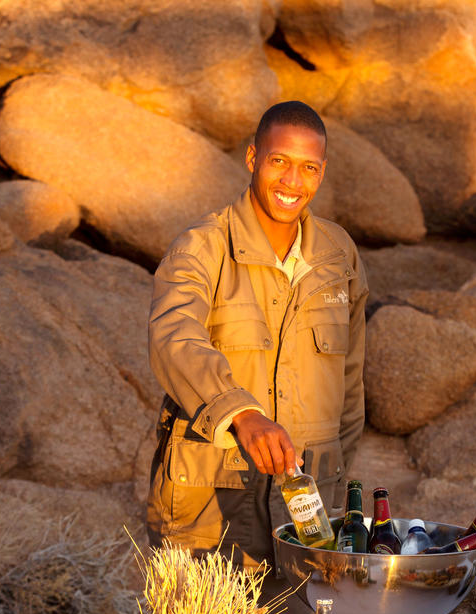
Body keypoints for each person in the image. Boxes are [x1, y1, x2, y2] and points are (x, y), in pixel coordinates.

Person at [145, 101, 367, 576]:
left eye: (308, 167)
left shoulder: (339, 256)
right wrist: (242, 414)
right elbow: (173, 337)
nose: (292, 182)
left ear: (322, 172)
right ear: (252, 158)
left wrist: (332, 483)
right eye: (279, 161)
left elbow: (349, 386)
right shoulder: (201, 246)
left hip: (307, 515)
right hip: (210, 514)